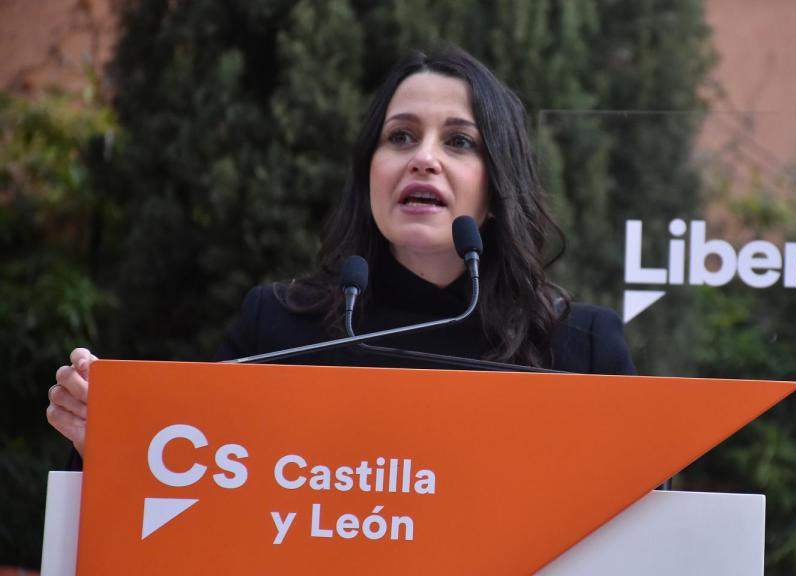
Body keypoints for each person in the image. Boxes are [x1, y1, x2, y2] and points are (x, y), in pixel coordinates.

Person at [46, 45, 635, 463]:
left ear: (498, 188)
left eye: (459, 141)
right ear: (369, 175)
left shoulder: (578, 346)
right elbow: (189, 477)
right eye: (400, 136)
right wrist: (109, 442)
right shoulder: (280, 328)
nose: (422, 158)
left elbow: (643, 530)